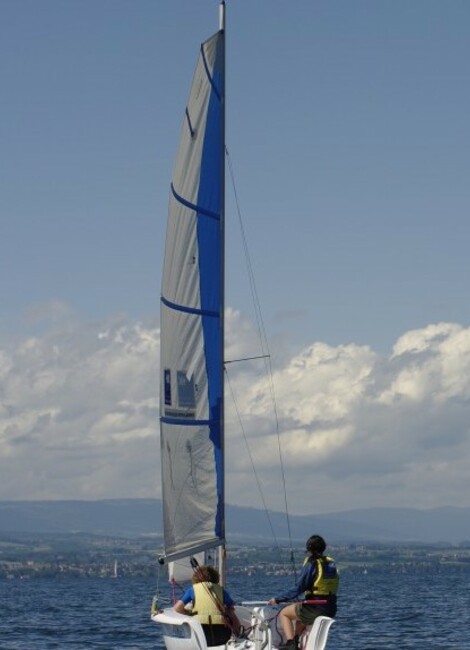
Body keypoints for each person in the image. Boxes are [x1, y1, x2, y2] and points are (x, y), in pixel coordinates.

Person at [268, 534, 339, 650]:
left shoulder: (312, 564)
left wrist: (277, 599)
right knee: (300, 615)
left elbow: (298, 588)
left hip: (315, 608)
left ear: (309, 549)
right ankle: (296, 640)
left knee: (284, 613)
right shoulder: (330, 564)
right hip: (331, 608)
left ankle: (290, 644)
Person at [173, 564, 241, 646]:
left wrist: (190, 613)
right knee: (229, 612)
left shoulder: (192, 590)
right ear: (215, 577)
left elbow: (177, 608)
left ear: (196, 577)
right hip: (221, 634)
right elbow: (231, 610)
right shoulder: (221, 590)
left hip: (201, 634)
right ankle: (237, 635)